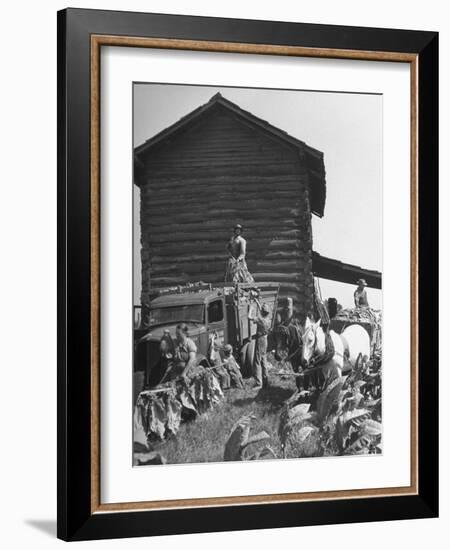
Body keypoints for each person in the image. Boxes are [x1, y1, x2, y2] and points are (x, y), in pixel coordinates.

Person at [249, 302, 271, 389]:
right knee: (264, 360)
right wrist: (257, 303)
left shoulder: (260, 320)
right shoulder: (267, 319)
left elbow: (249, 317)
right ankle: (266, 381)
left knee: (257, 361)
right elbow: (261, 314)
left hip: (260, 339)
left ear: (262, 312)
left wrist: (250, 309)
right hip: (265, 339)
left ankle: (259, 383)